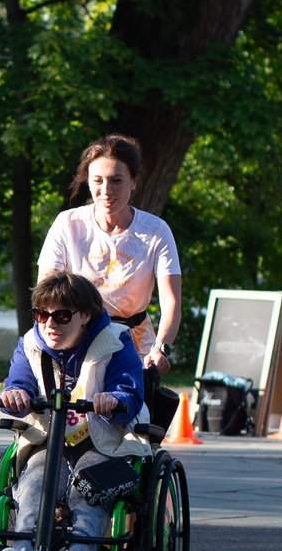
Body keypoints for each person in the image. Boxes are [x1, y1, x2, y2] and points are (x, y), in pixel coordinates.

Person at [0, 271, 148, 551]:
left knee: (86, 492)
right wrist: (15, 392)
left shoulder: (116, 342)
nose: (50, 324)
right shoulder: (30, 345)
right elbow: (18, 379)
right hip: (50, 441)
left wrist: (114, 400)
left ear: (86, 315)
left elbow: (129, 392)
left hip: (103, 442)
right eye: (41, 314)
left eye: (62, 316)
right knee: (34, 484)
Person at [35, 135, 182, 423]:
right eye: (98, 180)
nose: (106, 190)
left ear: (134, 182)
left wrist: (160, 348)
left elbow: (172, 301)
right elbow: (45, 292)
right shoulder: (68, 224)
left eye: (116, 180)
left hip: (132, 339)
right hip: (78, 335)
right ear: (87, 181)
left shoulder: (155, 231)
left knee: (132, 422)